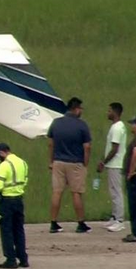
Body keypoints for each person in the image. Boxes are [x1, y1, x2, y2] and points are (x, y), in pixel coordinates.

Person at [47, 97, 93, 233]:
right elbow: (87, 147)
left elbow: (50, 143)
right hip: (75, 162)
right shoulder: (82, 125)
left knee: (57, 192)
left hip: (58, 161)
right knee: (76, 193)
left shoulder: (56, 123)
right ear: (77, 109)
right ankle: (80, 223)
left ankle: (53, 223)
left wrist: (51, 161)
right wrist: (85, 163)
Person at [0, 143, 29, 269]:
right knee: (19, 229)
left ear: (2, 153)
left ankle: (10, 259)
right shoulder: (23, 163)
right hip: (19, 200)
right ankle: (23, 258)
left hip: (6, 201)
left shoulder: (4, 165)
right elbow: (25, 180)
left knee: (6, 230)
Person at [97, 102, 127, 232]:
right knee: (113, 191)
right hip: (114, 164)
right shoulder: (118, 126)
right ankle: (115, 217)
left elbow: (115, 148)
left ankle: (119, 220)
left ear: (115, 112)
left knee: (116, 192)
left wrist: (103, 162)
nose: (107, 113)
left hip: (116, 164)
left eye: (109, 111)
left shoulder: (116, 128)